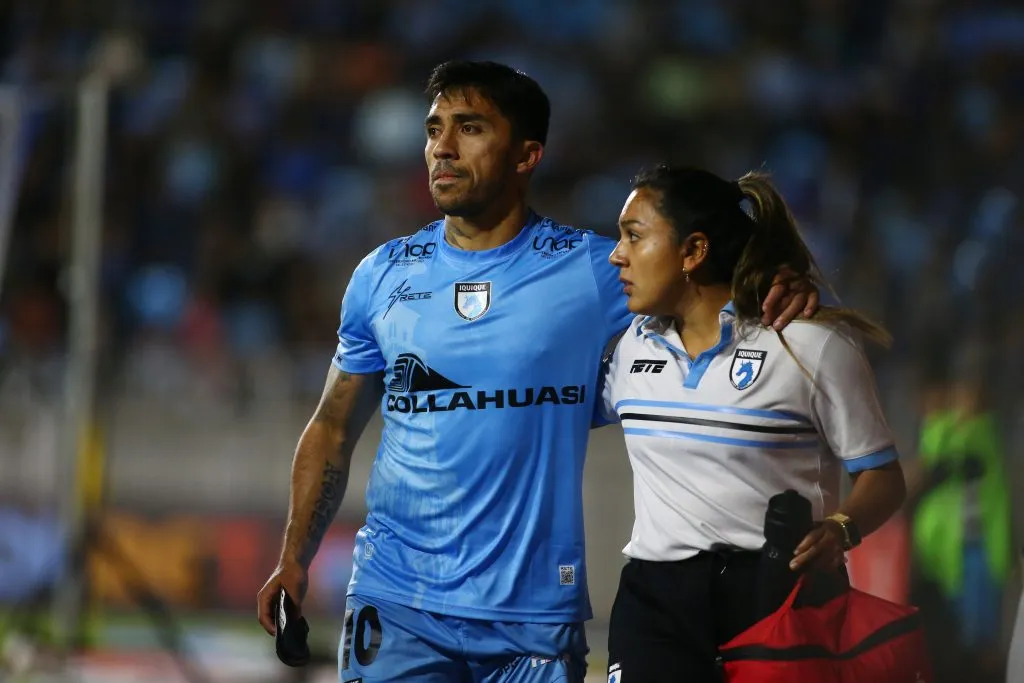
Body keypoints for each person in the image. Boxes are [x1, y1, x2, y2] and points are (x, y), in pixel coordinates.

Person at [256, 62, 818, 683]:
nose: (442, 147)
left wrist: (776, 283)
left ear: (528, 155)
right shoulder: (382, 275)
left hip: (533, 618)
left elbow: (706, 293)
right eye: (434, 128)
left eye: (468, 128)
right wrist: (293, 558)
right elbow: (333, 426)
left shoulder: (593, 271)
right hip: (398, 604)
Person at [597, 165, 907, 683]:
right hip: (657, 604)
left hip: (778, 593)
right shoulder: (632, 346)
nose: (616, 255)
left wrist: (841, 529)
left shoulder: (809, 346)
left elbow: (884, 477)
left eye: (634, 235)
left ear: (694, 251)